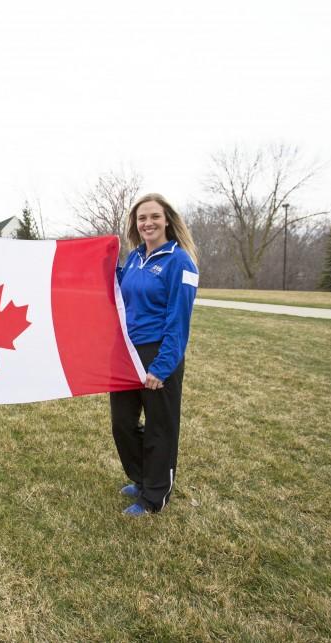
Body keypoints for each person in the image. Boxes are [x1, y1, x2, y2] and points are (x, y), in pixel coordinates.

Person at [110, 193, 199, 517]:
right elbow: (118, 290)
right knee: (122, 423)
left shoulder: (180, 262)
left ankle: (155, 495)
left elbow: (179, 321)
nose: (147, 223)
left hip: (159, 352)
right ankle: (142, 476)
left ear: (167, 221)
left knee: (160, 427)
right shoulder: (134, 258)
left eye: (154, 217)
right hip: (125, 353)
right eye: (141, 218)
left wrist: (162, 366)